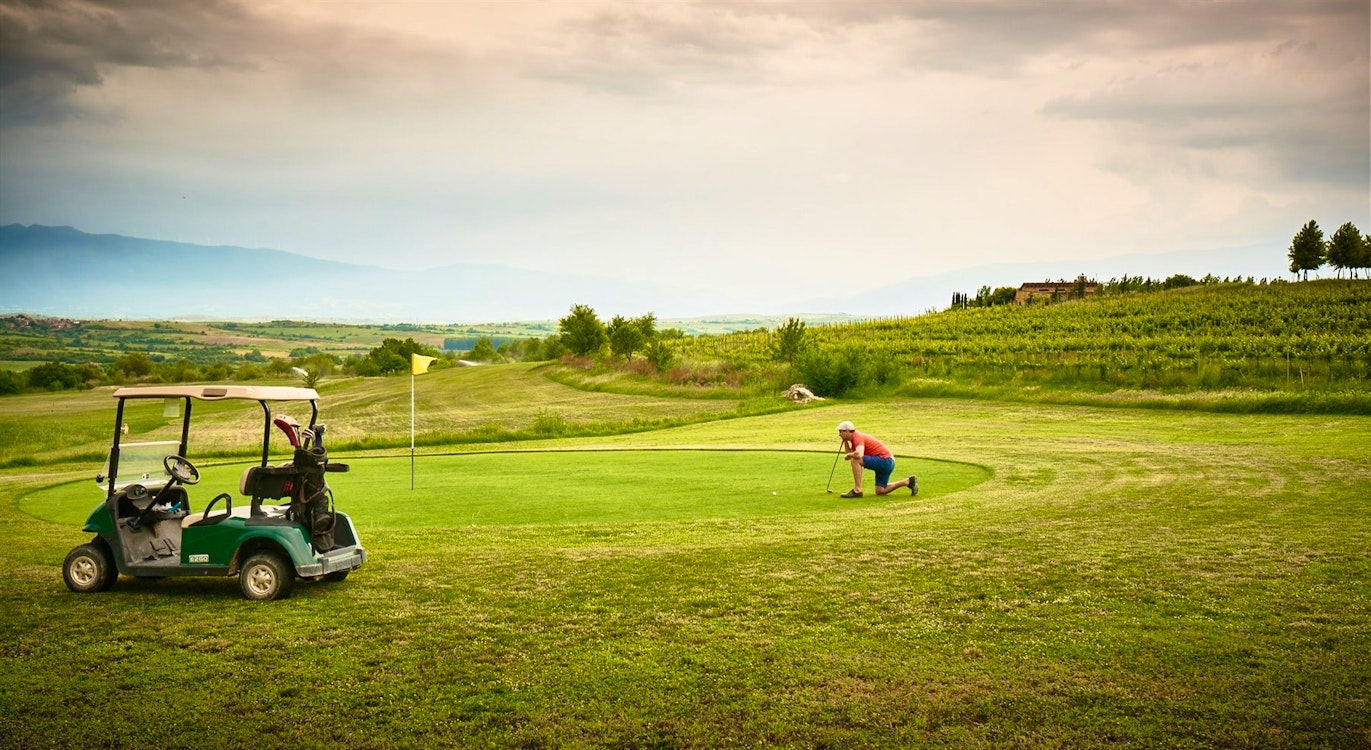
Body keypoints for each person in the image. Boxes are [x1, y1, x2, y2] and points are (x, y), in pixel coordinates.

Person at [836, 420, 918, 498]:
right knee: (880, 491)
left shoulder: (857, 436)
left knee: (856, 459)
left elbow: (859, 454)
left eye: (840, 431)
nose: (839, 434)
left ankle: (857, 490)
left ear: (847, 431)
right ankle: (908, 482)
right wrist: (845, 442)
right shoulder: (854, 439)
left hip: (885, 461)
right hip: (888, 461)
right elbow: (849, 454)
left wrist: (850, 455)